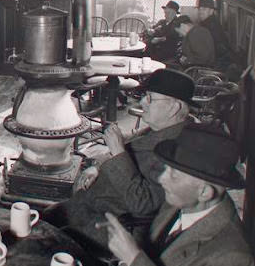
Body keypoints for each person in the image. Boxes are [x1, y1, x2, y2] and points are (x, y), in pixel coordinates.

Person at [102, 124, 254, 266]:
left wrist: (131, 257)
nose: (161, 179)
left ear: (205, 192)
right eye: (166, 169)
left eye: (174, 175)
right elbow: (151, 243)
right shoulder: (178, 202)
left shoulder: (234, 258)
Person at [43, 69, 195, 249]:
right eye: (144, 96)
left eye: (150, 98)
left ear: (174, 107)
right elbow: (127, 156)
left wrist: (117, 150)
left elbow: (143, 204)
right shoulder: (162, 129)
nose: (142, 102)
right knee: (47, 216)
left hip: (111, 225)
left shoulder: (177, 151)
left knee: (44, 239)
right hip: (94, 204)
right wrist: (98, 166)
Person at [197, 0, 236, 67]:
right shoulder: (208, 22)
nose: (200, 11)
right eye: (199, 9)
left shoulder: (210, 25)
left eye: (204, 9)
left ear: (211, 11)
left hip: (216, 62)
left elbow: (217, 48)